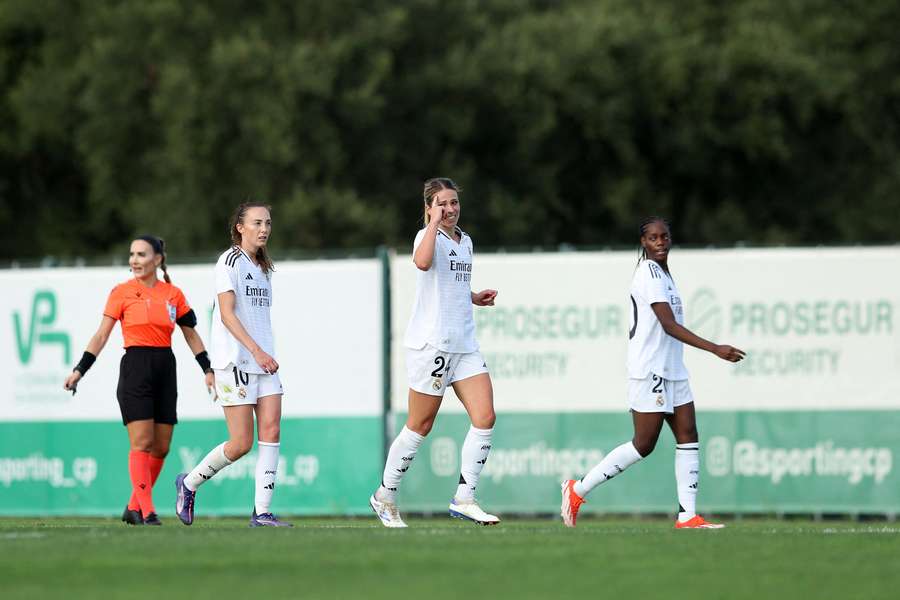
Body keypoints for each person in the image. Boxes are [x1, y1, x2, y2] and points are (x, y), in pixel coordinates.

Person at [561, 217, 745, 529]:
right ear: (643, 243)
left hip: (673, 368)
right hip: (650, 369)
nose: (660, 242)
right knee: (644, 443)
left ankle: (687, 515)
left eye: (664, 237)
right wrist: (715, 348)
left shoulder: (664, 274)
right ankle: (577, 490)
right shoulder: (648, 272)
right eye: (653, 238)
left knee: (688, 435)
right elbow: (668, 325)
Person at [370, 177, 500, 528]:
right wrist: (431, 224)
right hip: (433, 345)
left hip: (464, 343)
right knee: (420, 425)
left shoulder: (465, 240)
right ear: (429, 207)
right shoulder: (427, 236)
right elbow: (424, 263)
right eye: (442, 203)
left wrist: (473, 297)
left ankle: (465, 497)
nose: (450, 209)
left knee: (485, 417)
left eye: (454, 203)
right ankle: (385, 494)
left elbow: (449, 284)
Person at [64, 236, 214, 526]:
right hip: (136, 367)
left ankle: (133, 506)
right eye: (131, 254)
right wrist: (79, 370)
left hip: (165, 368)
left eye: (141, 254)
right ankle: (147, 511)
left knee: (162, 446)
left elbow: (191, 335)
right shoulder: (121, 292)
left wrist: (207, 369)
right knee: (142, 442)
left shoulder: (174, 294)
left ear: (157, 259)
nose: (134, 259)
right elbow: (101, 335)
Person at [174, 202, 291, 527]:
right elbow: (227, 315)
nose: (264, 228)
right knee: (241, 443)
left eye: (268, 222)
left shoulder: (263, 266)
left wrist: (264, 353)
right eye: (257, 222)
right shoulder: (229, 262)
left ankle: (262, 512)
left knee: (272, 430)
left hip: (264, 361)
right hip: (236, 361)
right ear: (240, 227)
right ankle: (189, 483)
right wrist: (257, 352)